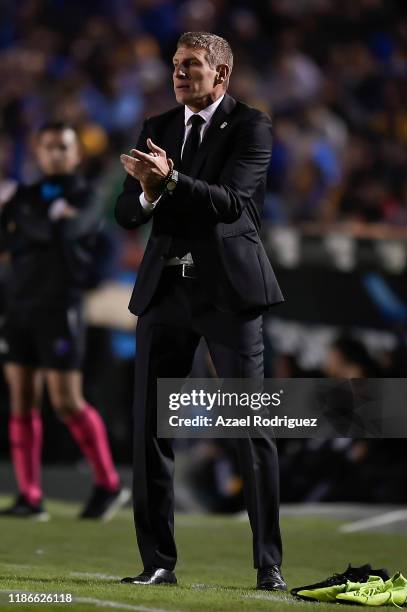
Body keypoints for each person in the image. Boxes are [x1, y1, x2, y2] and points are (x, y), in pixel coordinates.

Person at [116, 32, 286, 590]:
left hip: (229, 295)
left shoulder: (251, 125)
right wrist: (145, 193)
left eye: (192, 66)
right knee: (149, 433)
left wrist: (169, 182)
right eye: (175, 66)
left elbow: (233, 203)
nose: (180, 74)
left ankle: (268, 566)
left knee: (250, 428)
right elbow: (126, 212)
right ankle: (157, 563)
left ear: (222, 75)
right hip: (166, 291)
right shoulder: (158, 126)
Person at [0, 122, 130, 521]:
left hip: (60, 306)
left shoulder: (87, 194)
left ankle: (108, 484)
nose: (56, 153)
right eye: (49, 146)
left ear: (75, 154)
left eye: (63, 147)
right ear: (39, 152)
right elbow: (8, 239)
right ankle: (30, 496)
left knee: (66, 401)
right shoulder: (23, 194)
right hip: (18, 306)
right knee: (21, 400)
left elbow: (73, 230)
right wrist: (47, 226)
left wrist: (33, 228)